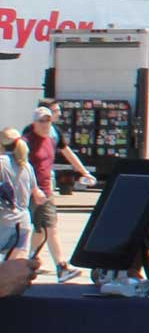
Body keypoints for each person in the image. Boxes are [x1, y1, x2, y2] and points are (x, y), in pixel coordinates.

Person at [24, 105, 93, 282]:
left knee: (41, 230)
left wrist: (83, 172)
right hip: (34, 192)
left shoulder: (52, 137)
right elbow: (23, 168)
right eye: (41, 120)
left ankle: (28, 260)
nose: (46, 123)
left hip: (46, 190)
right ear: (34, 123)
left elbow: (68, 153)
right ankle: (62, 267)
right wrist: (34, 189)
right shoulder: (26, 141)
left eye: (48, 119)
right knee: (50, 229)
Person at [1, 127, 35, 261]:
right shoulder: (26, 165)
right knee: (16, 267)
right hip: (23, 220)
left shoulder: (1, 162)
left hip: (4, 220)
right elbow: (36, 192)